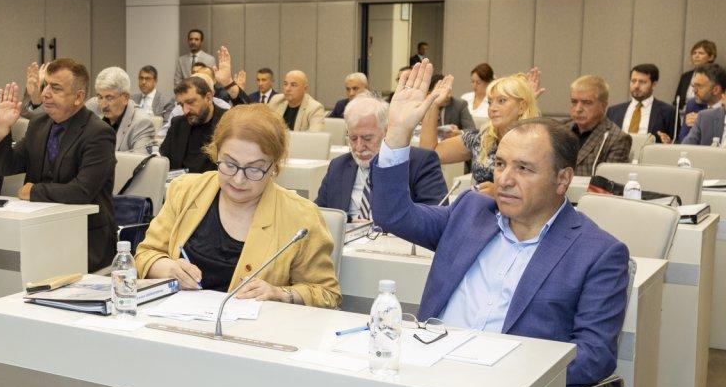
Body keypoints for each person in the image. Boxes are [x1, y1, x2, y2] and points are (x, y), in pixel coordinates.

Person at [374, 60, 628, 387]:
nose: (505, 179)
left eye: (524, 169)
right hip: (423, 381)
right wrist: (398, 133)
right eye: (501, 164)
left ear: (562, 179)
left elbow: (594, 357)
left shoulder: (598, 253)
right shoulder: (472, 211)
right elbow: (393, 214)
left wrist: (495, 368)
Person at [135, 104, 340, 307]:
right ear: (216, 153)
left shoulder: (301, 217)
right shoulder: (185, 191)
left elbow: (327, 294)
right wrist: (168, 268)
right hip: (176, 321)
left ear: (274, 167)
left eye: (254, 169)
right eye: (229, 164)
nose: (238, 180)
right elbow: (145, 255)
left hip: (259, 326)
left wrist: (281, 294)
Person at [0, 58, 117, 272]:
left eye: (56, 88)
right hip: (38, 229)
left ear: (79, 97)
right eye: (45, 85)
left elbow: (81, 191)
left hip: (83, 238)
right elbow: (7, 167)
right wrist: (3, 129)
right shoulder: (38, 124)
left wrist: (34, 191)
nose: (45, 94)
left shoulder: (98, 133)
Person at [315, 95, 446, 220]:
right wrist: (347, 221)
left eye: (367, 138)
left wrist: (373, 225)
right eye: (353, 139)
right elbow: (318, 215)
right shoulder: (338, 166)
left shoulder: (420, 163)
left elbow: (435, 218)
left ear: (387, 132)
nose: (359, 147)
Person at [418, 67, 542, 193]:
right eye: (490, 102)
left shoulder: (536, 144)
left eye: (502, 101)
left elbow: (543, 194)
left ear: (521, 107)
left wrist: (499, 194)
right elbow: (430, 153)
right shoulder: (482, 139)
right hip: (480, 204)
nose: (492, 108)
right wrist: (433, 105)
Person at [568, 75, 631, 176]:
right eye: (574, 102)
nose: (578, 109)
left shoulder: (617, 139)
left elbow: (611, 181)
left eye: (586, 103)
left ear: (603, 106)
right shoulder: (561, 130)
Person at [86, 67, 156, 154]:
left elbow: (139, 161)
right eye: (100, 97)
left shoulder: (142, 123)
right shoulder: (92, 108)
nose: (103, 104)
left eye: (109, 98)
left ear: (125, 98)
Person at [161, 77, 223, 174]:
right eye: (181, 105)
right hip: (178, 182)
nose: (185, 111)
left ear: (208, 98)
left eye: (190, 102)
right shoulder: (177, 124)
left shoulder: (228, 123)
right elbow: (163, 161)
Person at [607, 64, 676, 143]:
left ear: (654, 85)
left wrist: (670, 143)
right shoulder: (613, 111)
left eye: (642, 82)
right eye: (633, 81)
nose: (636, 86)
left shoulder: (668, 112)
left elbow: (677, 142)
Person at [674, 40, 716, 139]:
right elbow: (677, 99)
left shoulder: (716, 75)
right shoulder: (686, 76)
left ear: (711, 57)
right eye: (694, 53)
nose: (696, 56)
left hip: (705, 116)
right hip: (684, 116)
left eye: (700, 53)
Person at [683, 63, 726, 146]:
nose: (694, 91)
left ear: (715, 90)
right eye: (693, 86)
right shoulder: (693, 105)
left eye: (699, 86)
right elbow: (684, 143)